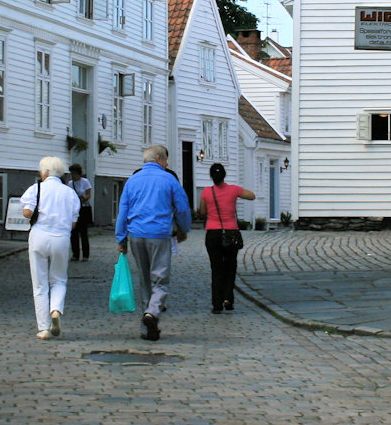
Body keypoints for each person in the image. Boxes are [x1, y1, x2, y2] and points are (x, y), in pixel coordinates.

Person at [114, 144, 191, 341]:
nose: (166, 164)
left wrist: (121, 238)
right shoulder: (169, 180)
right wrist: (183, 229)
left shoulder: (132, 181)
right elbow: (182, 208)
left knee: (145, 279)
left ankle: (148, 329)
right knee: (160, 279)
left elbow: (123, 212)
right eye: (165, 160)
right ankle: (153, 313)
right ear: (158, 158)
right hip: (158, 234)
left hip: (136, 235)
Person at [19, 156, 81, 339]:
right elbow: (73, 223)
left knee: (39, 284)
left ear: (45, 172)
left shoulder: (36, 188)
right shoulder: (69, 193)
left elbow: (27, 212)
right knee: (59, 280)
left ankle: (43, 327)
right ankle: (56, 309)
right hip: (61, 238)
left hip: (39, 236)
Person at [200, 162, 256, 314]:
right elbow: (252, 196)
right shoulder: (233, 190)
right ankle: (228, 299)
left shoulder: (206, 192)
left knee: (216, 268)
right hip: (231, 233)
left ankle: (216, 304)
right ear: (224, 175)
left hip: (213, 233)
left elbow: (202, 212)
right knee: (230, 267)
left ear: (211, 177)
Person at [68, 163, 95, 261]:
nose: (73, 176)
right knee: (73, 232)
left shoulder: (85, 182)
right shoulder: (70, 183)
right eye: (71, 174)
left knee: (83, 233)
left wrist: (83, 198)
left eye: (74, 174)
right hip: (74, 208)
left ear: (78, 174)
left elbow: (89, 194)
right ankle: (75, 254)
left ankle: (85, 255)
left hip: (83, 208)